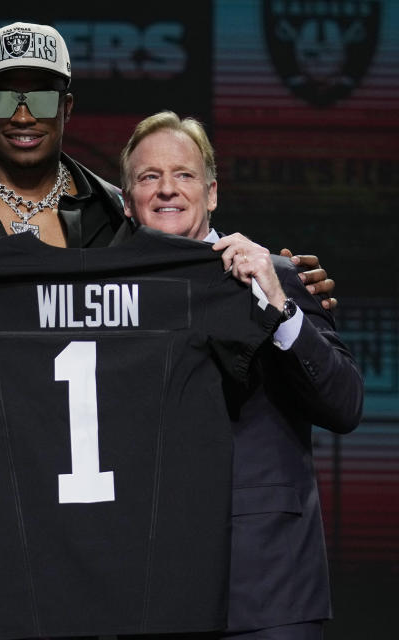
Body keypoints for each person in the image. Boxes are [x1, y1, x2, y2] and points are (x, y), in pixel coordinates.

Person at [0, 22, 336, 640]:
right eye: (6, 95)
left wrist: (284, 279)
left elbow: (182, 275)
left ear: (67, 104)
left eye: (41, 96)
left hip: (67, 502)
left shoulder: (111, 210)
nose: (23, 114)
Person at [116, 112, 364, 639]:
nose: (166, 190)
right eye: (148, 177)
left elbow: (345, 406)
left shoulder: (281, 278)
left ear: (210, 194)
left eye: (182, 175)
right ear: (126, 199)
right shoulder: (106, 301)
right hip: (147, 586)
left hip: (269, 587)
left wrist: (277, 301)